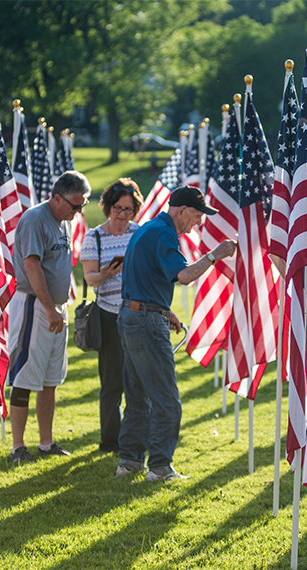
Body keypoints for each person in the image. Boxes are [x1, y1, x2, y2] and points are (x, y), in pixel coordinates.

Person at [116, 185, 237, 481]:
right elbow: (183, 276)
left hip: (131, 315)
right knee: (167, 399)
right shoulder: (165, 233)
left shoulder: (149, 228)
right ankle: (159, 467)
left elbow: (142, 274)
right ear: (181, 211)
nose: (197, 224)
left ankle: (129, 462)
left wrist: (162, 307)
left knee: (137, 396)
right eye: (195, 217)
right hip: (145, 322)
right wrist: (216, 254)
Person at [7, 170, 92, 463]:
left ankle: (46, 443)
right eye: (74, 205)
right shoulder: (34, 219)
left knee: (49, 380)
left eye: (82, 205)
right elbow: (32, 266)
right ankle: (18, 447)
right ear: (57, 198)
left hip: (55, 308)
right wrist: (48, 307)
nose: (78, 211)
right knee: (25, 376)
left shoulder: (64, 221)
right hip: (35, 305)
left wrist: (58, 306)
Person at [80, 178, 144, 454]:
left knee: (139, 380)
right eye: (118, 208)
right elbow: (90, 278)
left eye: (128, 210)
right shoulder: (94, 236)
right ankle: (110, 441)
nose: (122, 215)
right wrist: (108, 272)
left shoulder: (139, 234)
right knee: (112, 382)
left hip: (137, 314)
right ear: (108, 208)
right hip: (108, 316)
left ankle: (137, 437)